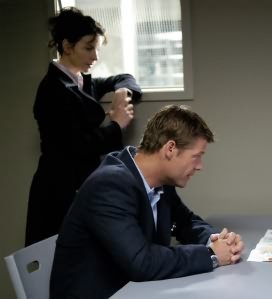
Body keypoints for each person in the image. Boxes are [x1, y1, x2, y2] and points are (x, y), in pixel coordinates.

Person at [50, 105, 245, 299]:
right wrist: (211, 254)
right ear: (170, 148)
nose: (199, 166)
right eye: (196, 157)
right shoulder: (109, 185)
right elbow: (142, 262)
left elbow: (186, 222)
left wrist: (217, 239)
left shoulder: (160, 182)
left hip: (133, 289)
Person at [26, 7, 142, 246]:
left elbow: (124, 77)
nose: (95, 57)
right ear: (67, 46)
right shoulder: (52, 90)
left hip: (78, 183)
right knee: (59, 255)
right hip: (58, 188)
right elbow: (76, 146)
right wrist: (116, 125)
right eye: (88, 48)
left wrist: (122, 91)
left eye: (96, 49)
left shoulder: (79, 81)